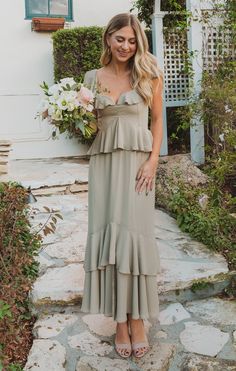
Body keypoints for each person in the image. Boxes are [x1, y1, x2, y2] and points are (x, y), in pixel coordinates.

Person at [81, 12, 164, 359]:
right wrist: (67, 113)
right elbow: (88, 127)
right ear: (108, 38)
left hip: (137, 168)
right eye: (120, 39)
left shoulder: (149, 72)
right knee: (109, 235)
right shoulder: (91, 78)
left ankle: (138, 319)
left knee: (134, 236)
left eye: (132, 41)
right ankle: (119, 322)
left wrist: (153, 161)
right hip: (104, 166)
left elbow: (159, 119)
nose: (126, 46)